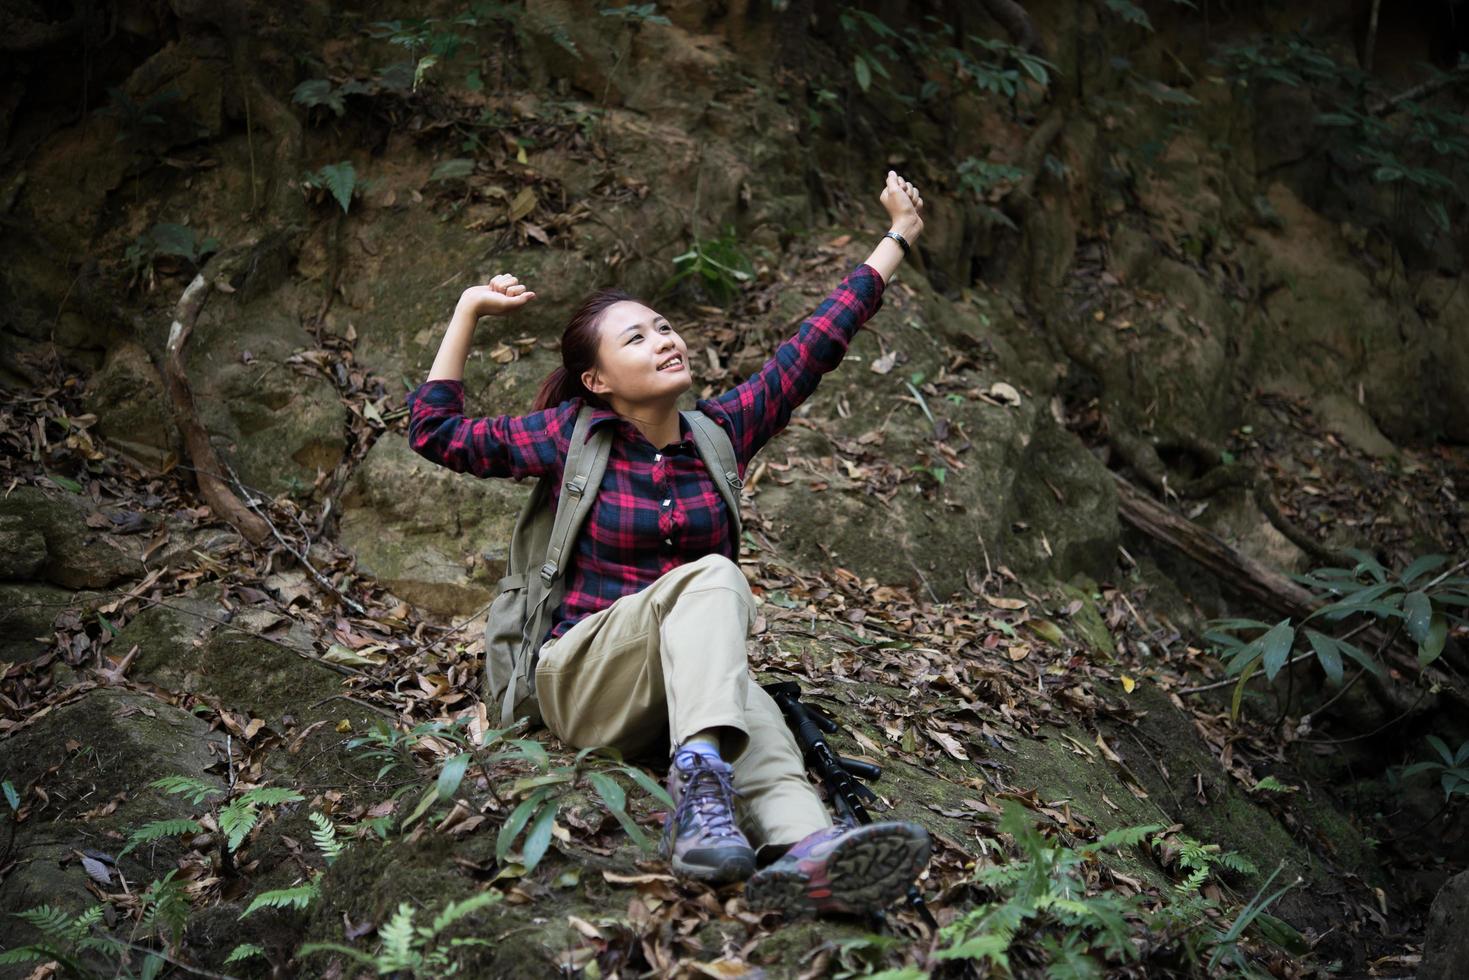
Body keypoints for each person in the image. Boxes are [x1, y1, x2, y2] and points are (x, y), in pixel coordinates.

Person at [407, 171, 930, 917]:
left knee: (756, 709)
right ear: (596, 379)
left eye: (662, 327)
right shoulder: (570, 436)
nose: (662, 340)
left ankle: (808, 854)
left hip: (676, 694)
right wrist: (466, 310)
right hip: (580, 681)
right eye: (636, 337)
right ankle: (698, 789)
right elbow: (434, 433)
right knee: (713, 576)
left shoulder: (720, 432)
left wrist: (898, 237)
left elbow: (815, 344)